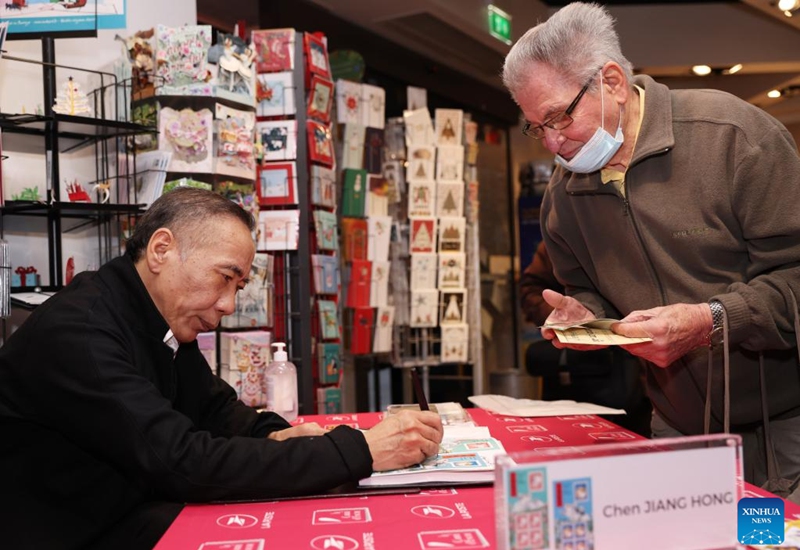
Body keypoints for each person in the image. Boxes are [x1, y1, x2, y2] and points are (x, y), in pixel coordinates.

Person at [0, 188, 443, 549]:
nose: (228, 304)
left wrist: (273, 433)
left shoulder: (157, 316)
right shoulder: (82, 333)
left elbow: (216, 410)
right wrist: (358, 452)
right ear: (161, 250)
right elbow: (182, 462)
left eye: (239, 285)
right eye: (224, 277)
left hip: (125, 511)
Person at [503, 2, 800, 496]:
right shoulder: (563, 195)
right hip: (678, 429)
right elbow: (589, 290)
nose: (552, 144)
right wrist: (585, 316)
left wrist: (710, 320)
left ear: (613, 83)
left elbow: (794, 275)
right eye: (537, 126)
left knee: (770, 542)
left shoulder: (734, 138)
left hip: (784, 430)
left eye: (559, 117)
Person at [521, 240, 651, 436]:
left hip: (647, 365)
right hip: (580, 369)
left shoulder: (639, 233)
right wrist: (564, 318)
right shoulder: (561, 236)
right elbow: (530, 289)